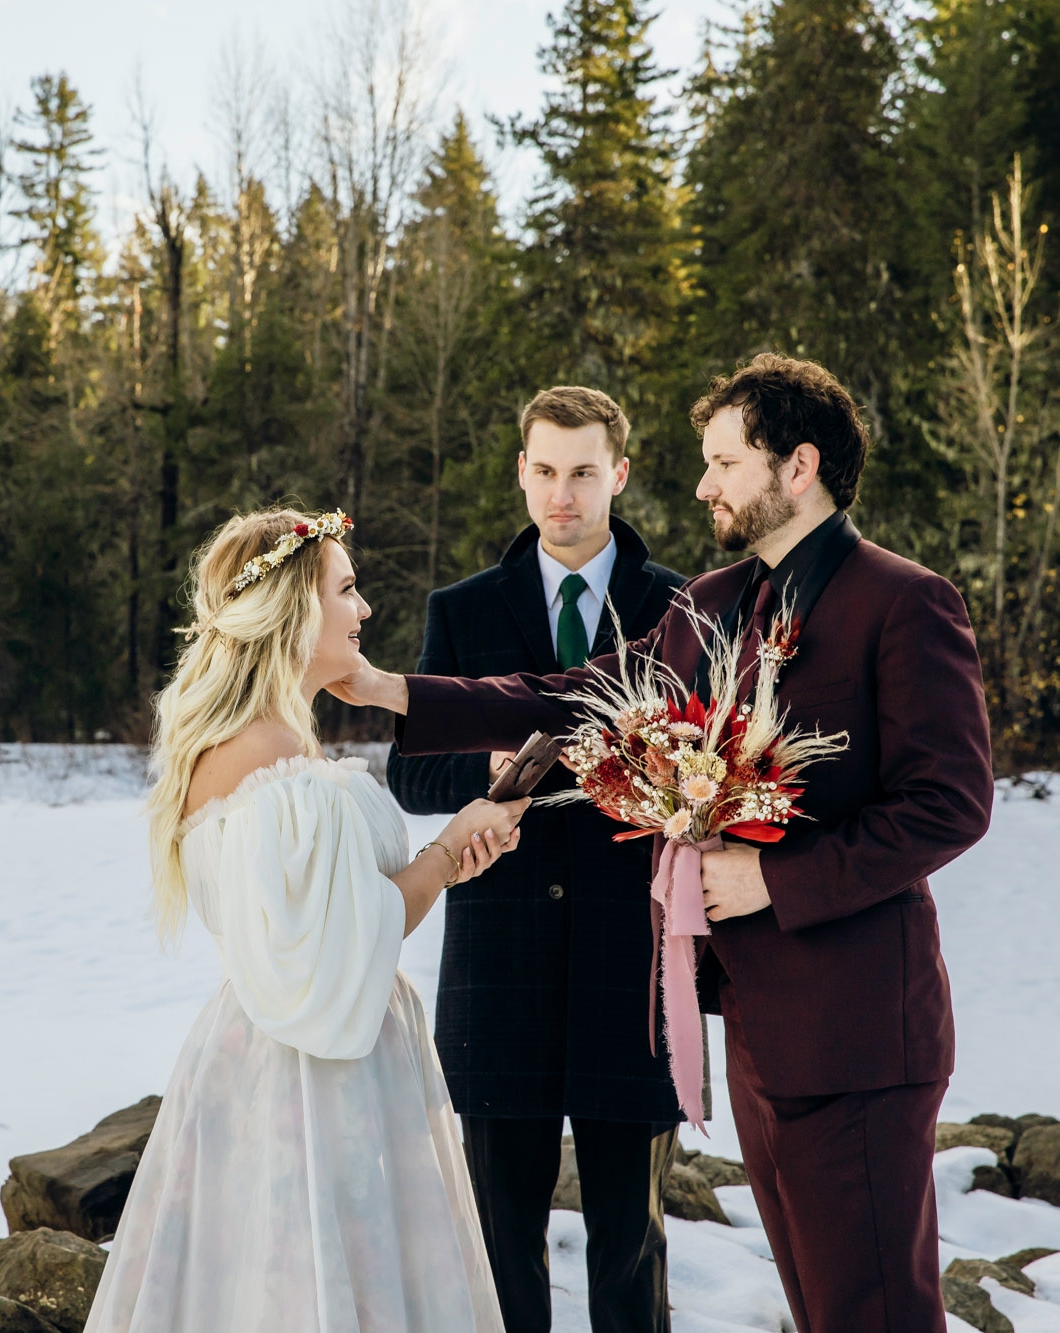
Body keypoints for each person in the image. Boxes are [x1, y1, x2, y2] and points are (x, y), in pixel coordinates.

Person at [330, 355, 995, 1333]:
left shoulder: (901, 602)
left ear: (796, 466)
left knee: (875, 1313)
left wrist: (773, 877)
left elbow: (950, 800)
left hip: (858, 1029)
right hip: (759, 1032)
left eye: (723, 462)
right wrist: (393, 690)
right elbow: (579, 697)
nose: (702, 484)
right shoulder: (717, 600)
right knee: (823, 1310)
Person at [88, 507, 530, 1333]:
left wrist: (451, 853)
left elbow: (336, 922)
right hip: (313, 1075)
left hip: (276, 1046)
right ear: (292, 606)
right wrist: (447, 850)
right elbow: (345, 946)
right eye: (347, 589)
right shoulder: (269, 753)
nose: (364, 611)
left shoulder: (270, 737)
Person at [386, 386, 689, 1333]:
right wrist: (480, 765)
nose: (563, 494)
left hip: (630, 970)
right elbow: (410, 770)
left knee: (629, 1244)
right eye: (546, 471)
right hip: (498, 968)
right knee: (497, 1238)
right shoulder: (462, 610)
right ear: (522, 471)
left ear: (620, 475)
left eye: (584, 472)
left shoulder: (679, 605)